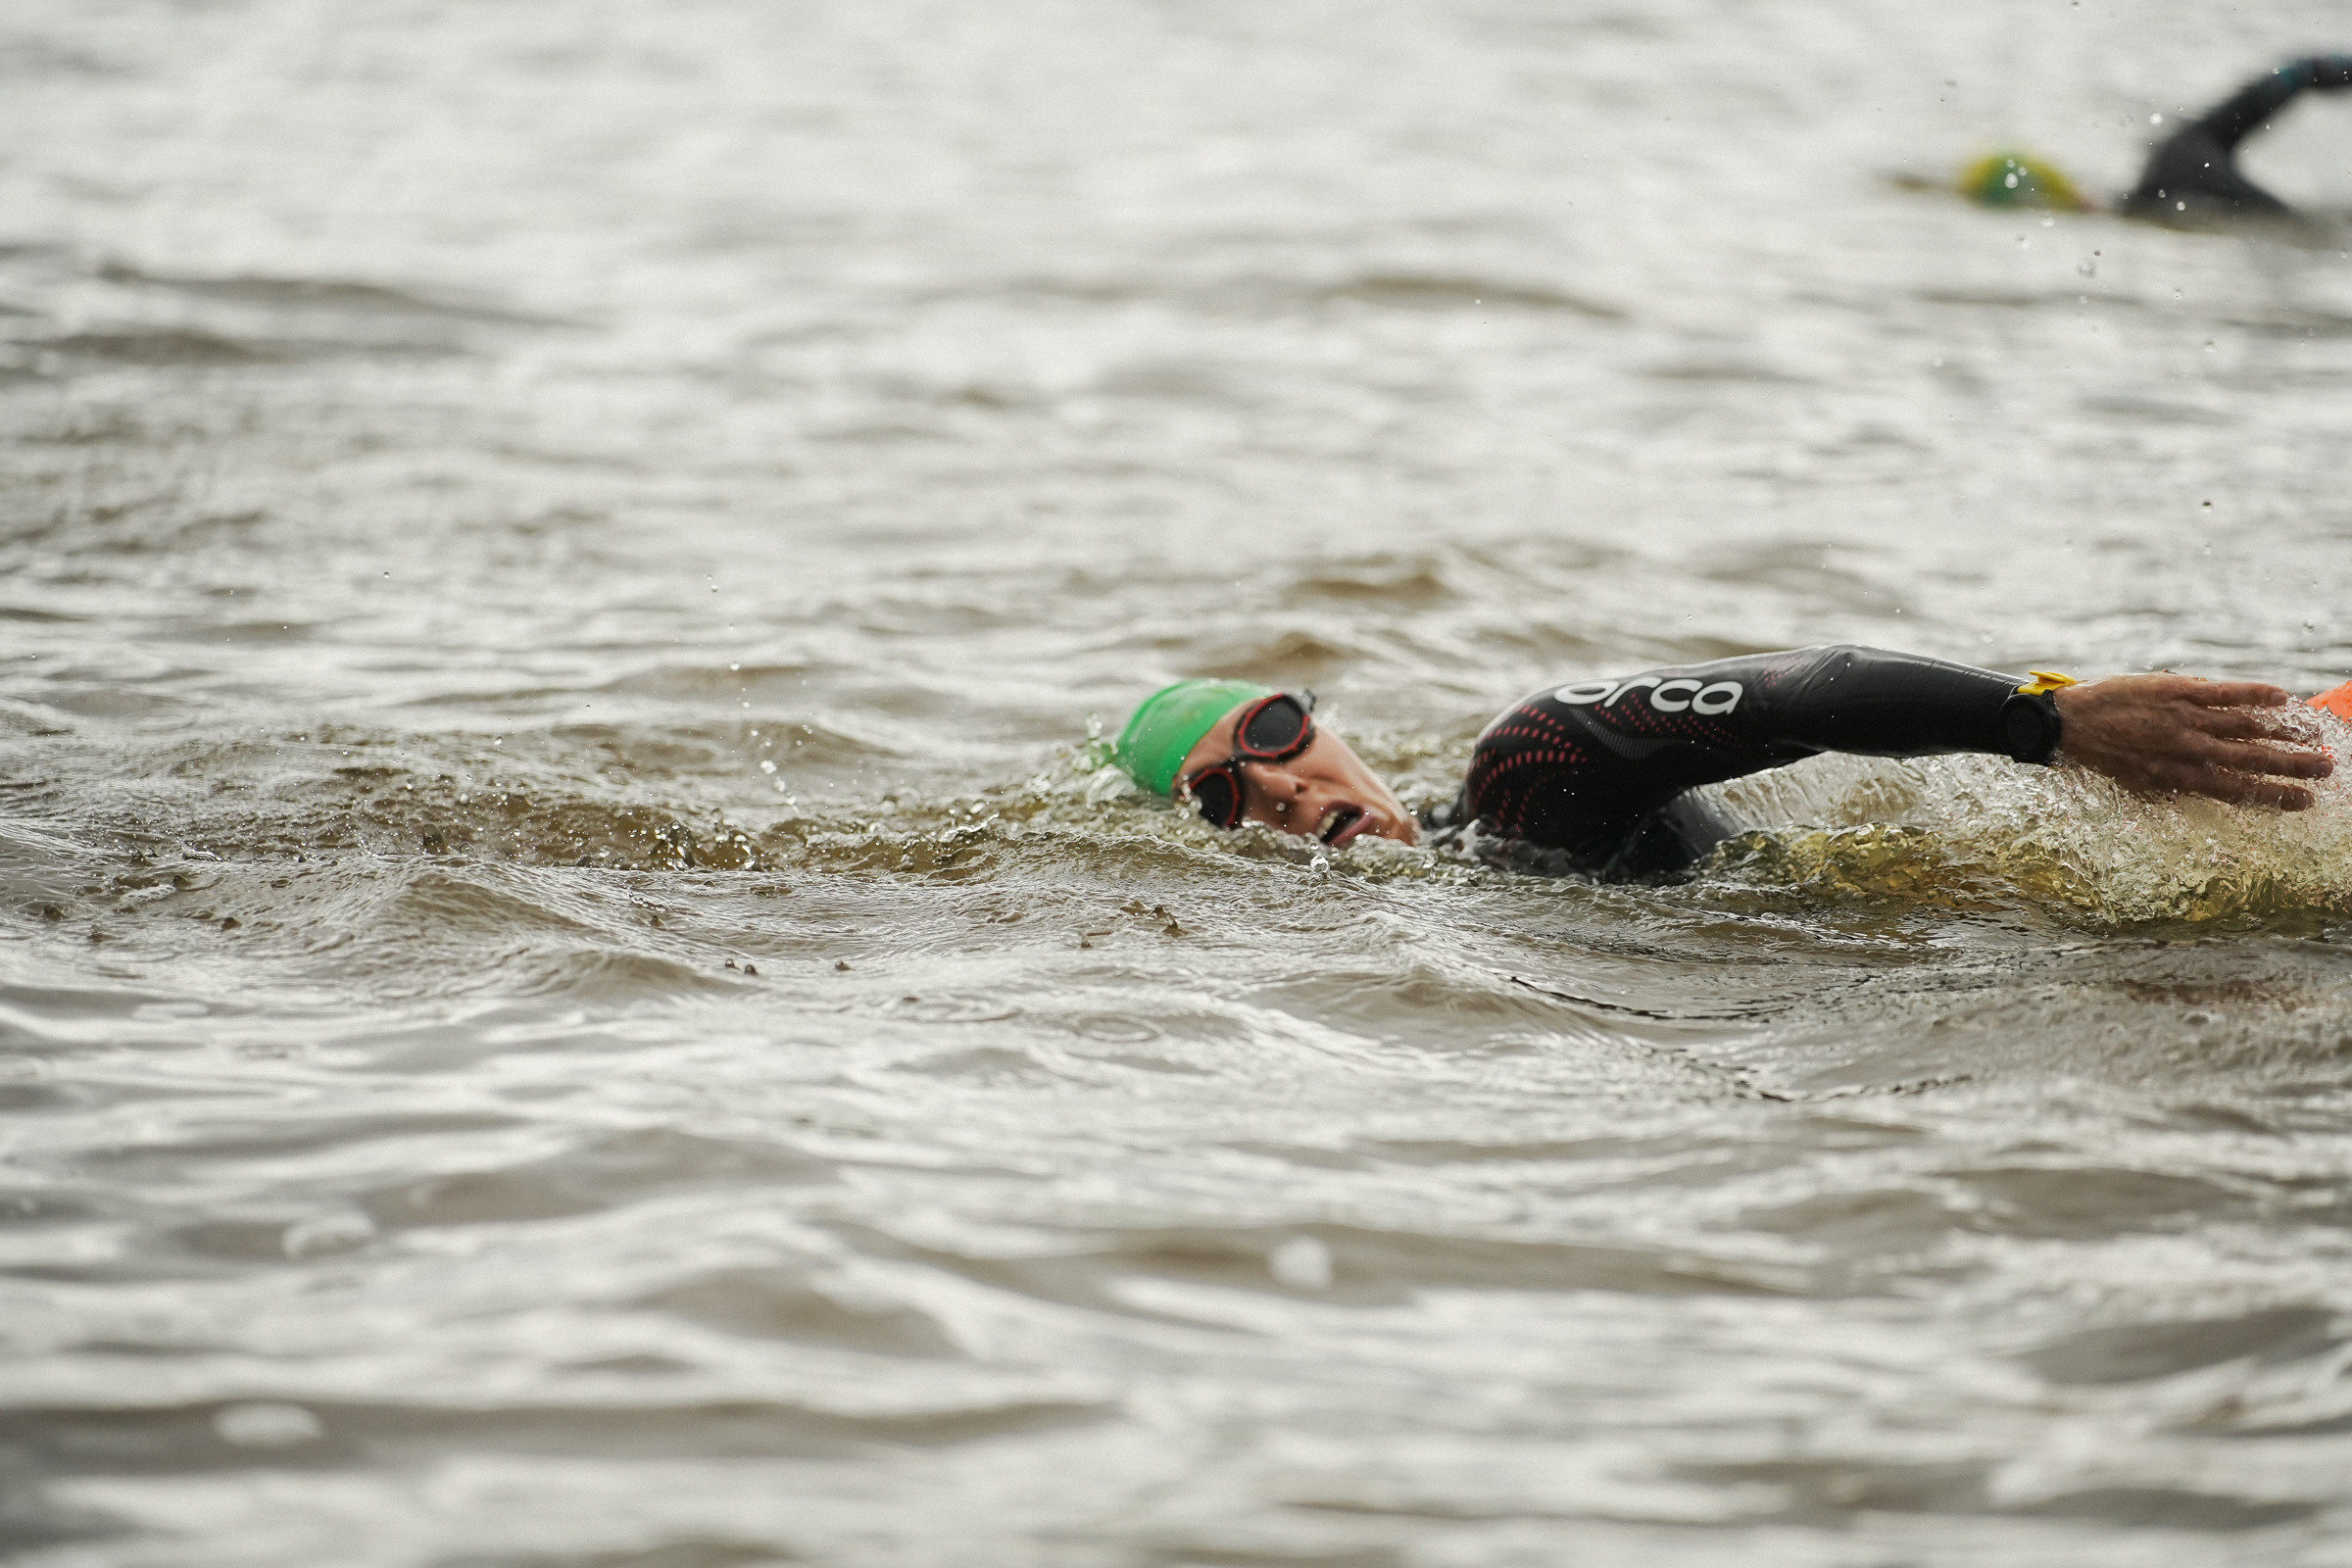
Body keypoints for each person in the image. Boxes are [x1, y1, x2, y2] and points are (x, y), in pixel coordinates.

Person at [1112, 648, 2343, 882]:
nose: (1275, 785)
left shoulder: (1529, 771)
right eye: (1219, 797)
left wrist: (2054, 722)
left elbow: (1796, 691)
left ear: (1322, 725)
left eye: (1271, 735)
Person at [1961, 54, 2352, 223]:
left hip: (2177, 156)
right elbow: (2303, 72)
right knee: (2289, 224)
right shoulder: (2278, 88)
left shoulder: (2216, 129)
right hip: (2184, 159)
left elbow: (2302, 73)